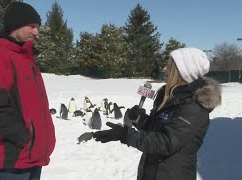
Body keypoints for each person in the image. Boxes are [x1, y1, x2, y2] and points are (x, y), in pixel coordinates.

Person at [92, 47, 221, 180]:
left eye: (169, 66)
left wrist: (125, 135)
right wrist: (141, 120)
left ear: (183, 72)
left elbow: (166, 142)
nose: (164, 69)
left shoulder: (193, 107)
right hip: (151, 172)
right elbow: (158, 130)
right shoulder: (173, 98)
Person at [0, 2, 55, 180]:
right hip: (11, 160)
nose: (36, 32)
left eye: (38, 27)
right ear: (15, 25)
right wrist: (23, 139)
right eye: (32, 26)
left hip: (32, 157)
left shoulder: (26, 59)